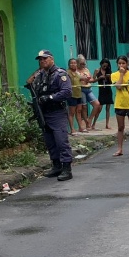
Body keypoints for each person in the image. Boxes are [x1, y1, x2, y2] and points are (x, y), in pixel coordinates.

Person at [26, 49, 74, 181]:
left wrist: (50, 97)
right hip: (44, 113)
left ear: (52, 59)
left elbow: (67, 92)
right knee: (50, 141)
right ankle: (56, 165)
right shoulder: (40, 75)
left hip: (56, 112)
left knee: (61, 141)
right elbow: (31, 86)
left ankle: (66, 168)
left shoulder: (60, 74)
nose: (42, 61)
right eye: (40, 60)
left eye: (45, 59)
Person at [77, 55, 101, 130]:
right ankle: (87, 123)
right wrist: (83, 79)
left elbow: (91, 80)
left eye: (84, 63)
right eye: (81, 64)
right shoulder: (76, 71)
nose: (83, 65)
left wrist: (94, 75)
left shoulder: (86, 70)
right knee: (84, 107)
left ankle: (89, 120)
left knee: (97, 104)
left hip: (88, 89)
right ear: (78, 63)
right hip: (81, 89)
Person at [66, 58, 86, 133]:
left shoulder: (77, 73)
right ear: (69, 64)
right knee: (71, 113)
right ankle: (72, 129)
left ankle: (80, 127)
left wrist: (85, 78)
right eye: (71, 63)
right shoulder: (67, 73)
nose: (73, 64)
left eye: (74, 63)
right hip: (72, 95)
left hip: (79, 94)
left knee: (79, 111)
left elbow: (82, 80)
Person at [94, 58, 114, 129]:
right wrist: (99, 78)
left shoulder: (109, 71)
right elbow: (93, 80)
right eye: (104, 66)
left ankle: (107, 124)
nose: (105, 67)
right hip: (101, 91)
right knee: (99, 108)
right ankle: (94, 124)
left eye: (106, 66)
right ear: (101, 64)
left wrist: (109, 77)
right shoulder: (97, 71)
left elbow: (111, 82)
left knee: (108, 108)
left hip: (108, 90)